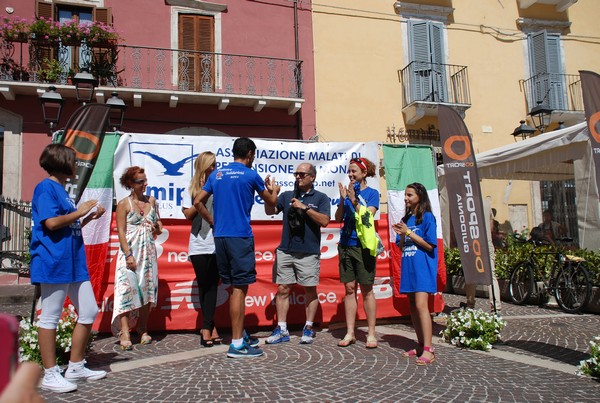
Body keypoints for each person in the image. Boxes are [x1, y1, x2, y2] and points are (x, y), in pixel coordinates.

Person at [30, 144, 107, 393]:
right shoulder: (45, 187)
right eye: (74, 160)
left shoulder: (62, 191)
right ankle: (51, 373)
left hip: (73, 261)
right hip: (53, 261)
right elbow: (51, 223)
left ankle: (75, 365)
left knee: (89, 309)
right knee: (50, 316)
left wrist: (87, 218)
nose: (77, 165)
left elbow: (66, 226)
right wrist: (80, 212)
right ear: (62, 162)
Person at [195, 138, 278, 358]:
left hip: (220, 238)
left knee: (234, 289)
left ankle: (239, 336)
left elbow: (197, 202)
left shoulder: (217, 175)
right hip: (240, 237)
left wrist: (212, 221)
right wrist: (274, 190)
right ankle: (237, 343)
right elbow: (271, 203)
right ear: (250, 154)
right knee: (240, 290)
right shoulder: (250, 175)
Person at [264, 163, 331, 345]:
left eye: (302, 174)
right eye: (296, 174)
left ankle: (308, 327)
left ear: (312, 177)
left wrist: (305, 208)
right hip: (286, 249)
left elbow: (325, 221)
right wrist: (270, 195)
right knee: (283, 289)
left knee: (309, 289)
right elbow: (270, 210)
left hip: (308, 251)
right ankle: (282, 329)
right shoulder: (286, 195)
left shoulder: (321, 198)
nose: (298, 177)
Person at [112, 166, 162, 350]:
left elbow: (159, 225)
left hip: (148, 251)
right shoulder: (124, 204)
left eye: (145, 180)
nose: (145, 184)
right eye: (140, 181)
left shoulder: (152, 201)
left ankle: (142, 328)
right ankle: (124, 331)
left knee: (147, 290)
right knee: (126, 289)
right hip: (131, 251)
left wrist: (157, 227)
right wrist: (128, 255)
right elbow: (121, 233)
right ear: (130, 184)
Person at [335, 157, 379, 349]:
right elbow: (337, 218)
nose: (351, 175)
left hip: (363, 246)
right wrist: (343, 200)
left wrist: (353, 199)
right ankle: (350, 332)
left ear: (364, 173)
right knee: (349, 289)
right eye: (349, 171)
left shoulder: (372, 193)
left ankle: (371, 333)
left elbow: (368, 217)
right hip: (345, 244)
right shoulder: (346, 192)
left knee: (367, 289)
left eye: (354, 171)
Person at [392, 182, 438, 365]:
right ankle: (420, 344)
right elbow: (401, 246)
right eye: (405, 195)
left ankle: (429, 349)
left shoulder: (428, 217)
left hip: (423, 268)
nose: (406, 198)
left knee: (421, 306)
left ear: (420, 196)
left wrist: (408, 232)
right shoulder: (406, 218)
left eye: (409, 195)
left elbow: (429, 245)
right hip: (409, 267)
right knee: (412, 306)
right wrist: (402, 234)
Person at [182, 151, 222, 347]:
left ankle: (206, 327)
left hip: (216, 241)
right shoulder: (190, 188)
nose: (214, 168)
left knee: (213, 284)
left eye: (216, 165)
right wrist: (201, 197)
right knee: (203, 284)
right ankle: (210, 325)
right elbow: (188, 215)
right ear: (203, 166)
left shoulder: (219, 186)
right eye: (211, 165)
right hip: (198, 241)